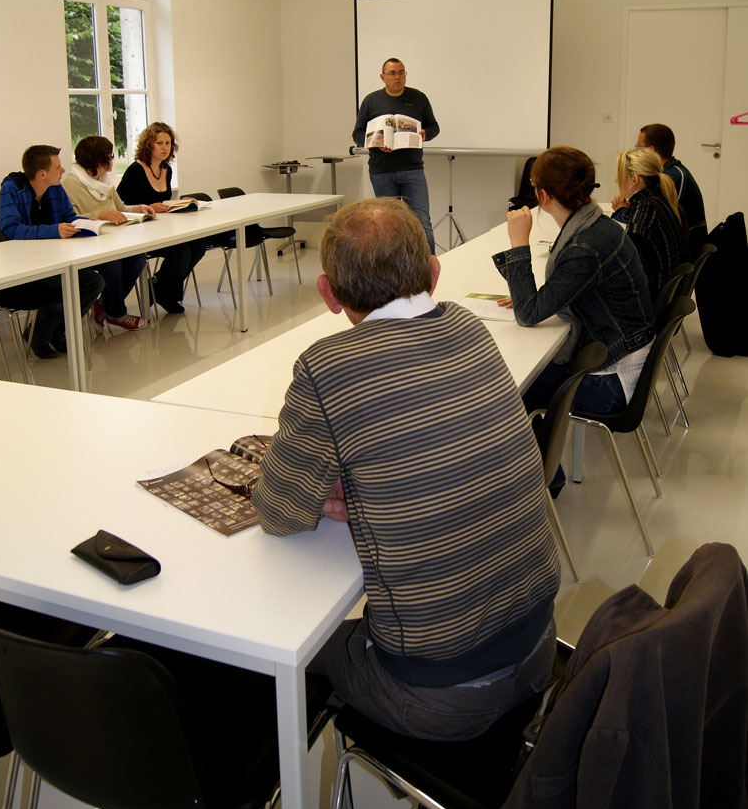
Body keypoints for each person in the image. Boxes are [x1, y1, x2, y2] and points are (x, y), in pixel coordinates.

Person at [253, 198, 559, 735]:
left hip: (436, 693)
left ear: (328, 294)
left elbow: (277, 512)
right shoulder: (469, 327)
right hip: (540, 649)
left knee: (277, 647)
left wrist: (334, 486)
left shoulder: (328, 367)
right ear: (435, 274)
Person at [493, 146, 655, 422]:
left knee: (503, 396)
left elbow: (528, 314)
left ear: (543, 195)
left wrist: (519, 243)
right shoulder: (598, 226)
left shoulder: (584, 247)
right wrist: (531, 295)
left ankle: (537, 463)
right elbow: (558, 292)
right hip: (622, 352)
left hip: (611, 380)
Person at [0, 145, 104, 359]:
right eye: (58, 166)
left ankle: (56, 331)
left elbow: (69, 217)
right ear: (42, 173)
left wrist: (92, 223)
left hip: (55, 259)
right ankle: (40, 335)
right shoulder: (12, 188)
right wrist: (53, 230)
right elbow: (9, 228)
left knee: (95, 282)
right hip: (23, 264)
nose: (63, 170)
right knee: (66, 284)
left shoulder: (55, 187)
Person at [62, 135, 156, 332]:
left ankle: (105, 306)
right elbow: (71, 217)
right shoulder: (70, 183)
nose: (113, 159)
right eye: (110, 155)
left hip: (114, 238)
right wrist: (100, 214)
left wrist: (138, 209)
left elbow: (121, 208)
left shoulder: (105, 181)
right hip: (87, 242)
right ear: (97, 159)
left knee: (138, 258)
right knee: (113, 262)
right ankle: (116, 313)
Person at [116, 122, 206, 314]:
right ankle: (164, 292)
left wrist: (180, 202)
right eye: (160, 143)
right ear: (149, 144)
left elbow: (161, 201)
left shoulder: (167, 170)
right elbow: (120, 206)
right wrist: (146, 208)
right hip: (138, 231)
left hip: (160, 228)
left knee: (198, 245)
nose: (165, 148)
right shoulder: (135, 171)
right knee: (181, 252)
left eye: (168, 143)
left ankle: (159, 289)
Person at [352, 57, 440, 253]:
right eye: (392, 73)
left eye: (401, 72)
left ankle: (428, 268)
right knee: (387, 224)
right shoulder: (371, 101)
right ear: (383, 77)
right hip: (382, 171)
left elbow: (434, 127)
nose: (397, 77)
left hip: (413, 169)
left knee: (421, 222)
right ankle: (391, 270)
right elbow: (357, 134)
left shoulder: (419, 98)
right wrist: (375, 143)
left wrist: (426, 134)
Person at [611, 147, 689, 303]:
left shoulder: (646, 207)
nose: (616, 180)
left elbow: (627, 259)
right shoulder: (656, 198)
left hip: (650, 298)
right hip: (663, 290)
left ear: (635, 180)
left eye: (620, 175)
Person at [637, 122, 708, 253]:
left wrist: (621, 211)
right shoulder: (668, 172)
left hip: (684, 250)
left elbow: (652, 218)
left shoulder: (673, 177)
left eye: (638, 147)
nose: (636, 151)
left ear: (651, 150)